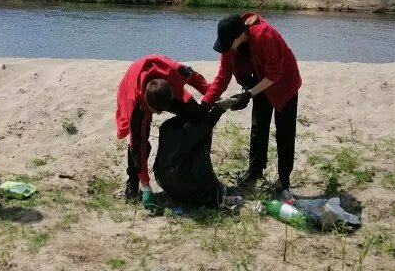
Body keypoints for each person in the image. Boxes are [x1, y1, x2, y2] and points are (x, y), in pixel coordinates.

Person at [202, 13, 301, 198]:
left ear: (241, 35)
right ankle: (255, 170)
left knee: (285, 131)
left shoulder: (265, 35)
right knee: (258, 127)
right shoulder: (230, 44)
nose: (225, 48)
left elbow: (275, 74)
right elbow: (223, 77)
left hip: (284, 82)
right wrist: (205, 103)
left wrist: (248, 94)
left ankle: (284, 177)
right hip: (260, 80)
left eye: (227, 43)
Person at [115, 54, 212, 211]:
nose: (159, 114)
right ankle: (132, 180)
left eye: (162, 110)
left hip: (162, 83)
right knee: (138, 141)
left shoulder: (176, 72)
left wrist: (211, 94)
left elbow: (194, 78)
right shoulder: (137, 110)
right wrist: (146, 185)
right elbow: (137, 145)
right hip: (132, 84)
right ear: (147, 105)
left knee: (194, 112)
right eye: (156, 111)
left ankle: (189, 161)